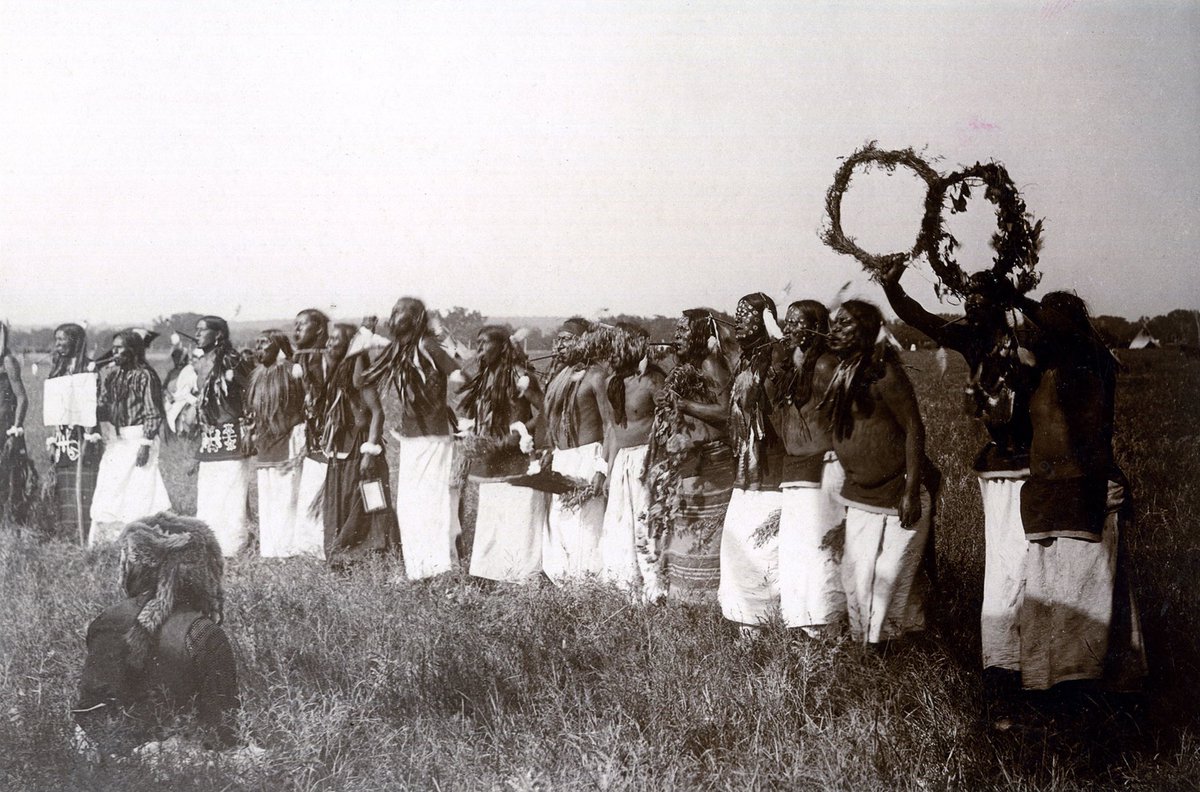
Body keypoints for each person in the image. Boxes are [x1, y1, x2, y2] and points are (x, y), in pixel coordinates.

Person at [883, 262, 1036, 675]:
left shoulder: (1030, 338)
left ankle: (1035, 650)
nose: (970, 300)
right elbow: (920, 317)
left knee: (1030, 556)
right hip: (1002, 464)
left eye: (980, 294)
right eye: (967, 293)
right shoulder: (971, 338)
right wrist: (890, 285)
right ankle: (1010, 651)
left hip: (1036, 463)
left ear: (1001, 302)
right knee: (1008, 556)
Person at [1011, 290, 1146, 691]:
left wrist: (1014, 296)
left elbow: (1067, 335)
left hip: (1087, 489)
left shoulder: (1092, 361)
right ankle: (1053, 680)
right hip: (1048, 494)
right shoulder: (1040, 375)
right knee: (1051, 589)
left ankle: (1086, 684)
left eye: (1050, 322)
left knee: (1088, 589)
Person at [74, 511, 239, 757]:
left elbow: (89, 709)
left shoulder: (107, 620)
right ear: (204, 570)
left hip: (103, 754)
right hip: (177, 760)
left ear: (132, 566)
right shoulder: (203, 632)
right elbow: (222, 727)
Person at [822, 300, 933, 646]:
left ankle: (884, 651)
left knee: (888, 580)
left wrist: (911, 490)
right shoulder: (844, 371)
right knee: (855, 577)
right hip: (861, 495)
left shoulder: (885, 373)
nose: (835, 331)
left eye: (845, 325)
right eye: (834, 324)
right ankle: (866, 646)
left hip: (895, 493)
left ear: (866, 332)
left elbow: (914, 428)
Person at [362, 297, 463, 580]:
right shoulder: (400, 349)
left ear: (416, 317)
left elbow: (458, 373)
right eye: (392, 310)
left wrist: (453, 382)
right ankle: (419, 569)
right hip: (412, 440)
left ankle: (441, 570)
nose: (393, 316)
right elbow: (366, 376)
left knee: (432, 503)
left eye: (400, 311)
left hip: (433, 438)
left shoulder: (427, 346)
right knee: (409, 505)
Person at [644, 308, 734, 604]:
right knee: (686, 535)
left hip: (713, 465)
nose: (676, 337)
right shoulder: (686, 367)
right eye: (676, 331)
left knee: (704, 538)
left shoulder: (711, 365)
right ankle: (686, 603)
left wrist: (683, 405)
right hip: (691, 465)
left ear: (699, 335)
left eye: (683, 332)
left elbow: (725, 413)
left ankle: (705, 606)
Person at [770, 300, 846, 636]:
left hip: (823, 473)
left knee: (821, 555)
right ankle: (804, 627)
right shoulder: (790, 367)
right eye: (786, 323)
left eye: (797, 323)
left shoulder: (828, 365)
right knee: (797, 554)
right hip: (796, 474)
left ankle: (830, 629)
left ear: (816, 326)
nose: (789, 330)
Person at [717, 293, 789, 631]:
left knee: (765, 553)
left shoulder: (776, 360)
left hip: (773, 474)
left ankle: (774, 625)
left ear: (765, 320)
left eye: (747, 314)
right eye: (737, 314)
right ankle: (750, 629)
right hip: (748, 474)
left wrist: (775, 327)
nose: (739, 320)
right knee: (740, 552)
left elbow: (788, 355)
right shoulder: (745, 362)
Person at [461, 325, 548, 584]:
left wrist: (520, 434)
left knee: (518, 519)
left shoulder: (519, 375)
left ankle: (522, 579)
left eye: (484, 343)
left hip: (516, 459)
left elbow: (546, 410)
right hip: (492, 460)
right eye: (477, 343)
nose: (478, 350)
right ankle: (492, 575)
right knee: (494, 516)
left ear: (502, 346)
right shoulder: (487, 375)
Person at [321, 322, 400, 568]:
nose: (330, 343)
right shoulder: (336, 368)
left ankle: (372, 555)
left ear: (349, 344)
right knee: (343, 500)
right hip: (341, 446)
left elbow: (377, 412)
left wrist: (370, 451)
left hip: (360, 445)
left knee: (367, 500)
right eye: (330, 339)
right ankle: (346, 556)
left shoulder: (357, 369)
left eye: (337, 339)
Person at [598, 323, 667, 601]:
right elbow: (614, 430)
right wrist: (607, 469)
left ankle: (656, 592)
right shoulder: (612, 383)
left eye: (615, 346)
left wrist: (658, 465)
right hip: (623, 463)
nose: (610, 353)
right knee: (620, 526)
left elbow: (669, 422)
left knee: (646, 526)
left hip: (648, 460)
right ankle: (625, 591)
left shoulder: (652, 380)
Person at [542, 320, 614, 583]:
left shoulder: (596, 376)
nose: (559, 345)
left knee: (586, 526)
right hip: (563, 459)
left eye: (567, 339)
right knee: (560, 523)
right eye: (557, 339)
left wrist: (601, 468)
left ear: (585, 341)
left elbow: (610, 425)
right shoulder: (560, 376)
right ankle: (564, 584)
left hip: (587, 458)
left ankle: (587, 586)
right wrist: (551, 450)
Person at [89, 330, 173, 545]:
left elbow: (152, 411)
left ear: (133, 350)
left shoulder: (145, 375)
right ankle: (111, 540)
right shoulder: (113, 376)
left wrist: (145, 444)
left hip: (139, 437)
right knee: (111, 488)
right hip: (117, 440)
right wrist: (91, 386)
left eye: (119, 348)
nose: (114, 352)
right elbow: (104, 407)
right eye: (113, 347)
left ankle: (143, 540)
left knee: (140, 489)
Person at [193, 316, 254, 557]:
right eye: (196, 331)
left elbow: (250, 389)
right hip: (211, 435)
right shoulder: (200, 362)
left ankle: (231, 546)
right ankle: (207, 543)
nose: (196, 335)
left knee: (231, 489)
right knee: (209, 489)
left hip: (231, 432)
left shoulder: (231, 360)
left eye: (201, 330)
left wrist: (249, 424)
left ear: (218, 335)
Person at [246, 329, 306, 558]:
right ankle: (271, 549)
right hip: (266, 443)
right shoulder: (257, 375)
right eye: (257, 344)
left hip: (289, 440)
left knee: (287, 495)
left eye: (264, 344)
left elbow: (305, 405)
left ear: (279, 347)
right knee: (268, 495)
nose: (258, 349)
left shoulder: (293, 370)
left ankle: (289, 549)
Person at [45, 323, 102, 543]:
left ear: (76, 341)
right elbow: (53, 406)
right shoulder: (57, 367)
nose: (58, 344)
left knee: (84, 484)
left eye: (63, 339)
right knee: (64, 485)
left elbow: (94, 402)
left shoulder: (89, 368)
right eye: (56, 339)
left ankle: (83, 535)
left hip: (83, 434)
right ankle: (67, 533)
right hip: (63, 435)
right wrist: (52, 438)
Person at [291, 308, 331, 558]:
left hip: (330, 435)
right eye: (294, 325)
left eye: (301, 325)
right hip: (314, 437)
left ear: (318, 329)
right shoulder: (303, 358)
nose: (296, 330)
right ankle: (309, 546)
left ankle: (321, 545)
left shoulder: (327, 358)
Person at [0, 321, 33, 525]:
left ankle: (12, 525)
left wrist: (15, 429)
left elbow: (22, 397)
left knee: (9, 479)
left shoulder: (7, 362)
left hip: (5, 428)